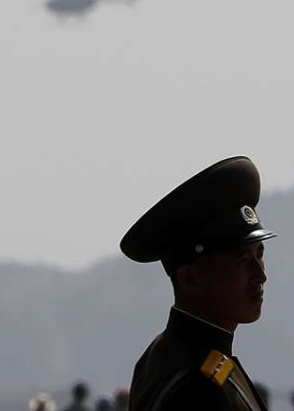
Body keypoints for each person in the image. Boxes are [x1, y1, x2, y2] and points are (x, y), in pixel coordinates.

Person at [121, 156, 277, 411]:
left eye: (259, 255)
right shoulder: (198, 388)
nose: (260, 275)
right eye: (242, 260)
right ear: (190, 278)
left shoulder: (173, 354)